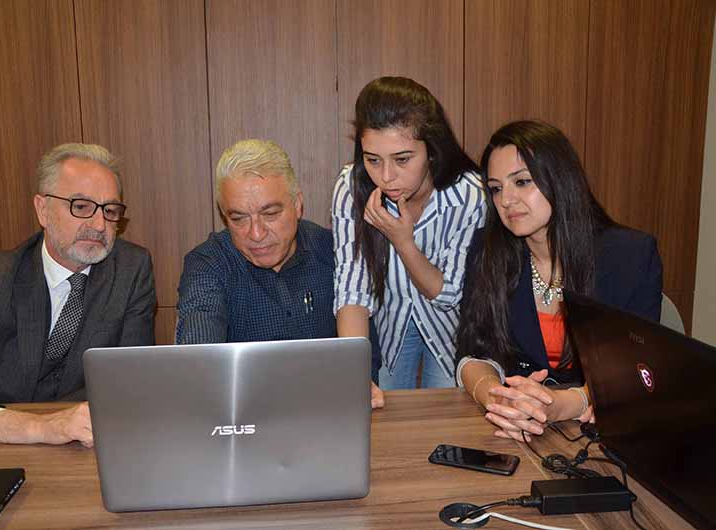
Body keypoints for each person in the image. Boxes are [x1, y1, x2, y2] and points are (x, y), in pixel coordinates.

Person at [0, 143, 156, 451]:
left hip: (86, 448)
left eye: (109, 211)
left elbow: (133, 384)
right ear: (43, 209)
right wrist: (41, 427)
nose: (99, 225)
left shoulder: (131, 270)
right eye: (81, 206)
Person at [456, 120, 662, 441]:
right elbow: (473, 352)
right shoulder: (488, 249)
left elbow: (640, 365)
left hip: (602, 426)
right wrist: (497, 398)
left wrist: (568, 402)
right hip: (515, 425)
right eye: (495, 188)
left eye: (522, 182)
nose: (506, 199)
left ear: (560, 179)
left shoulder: (630, 256)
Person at [176, 139, 382, 393]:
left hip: (326, 406)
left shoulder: (334, 253)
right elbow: (199, 354)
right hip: (244, 409)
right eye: (239, 219)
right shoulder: (209, 263)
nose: (256, 233)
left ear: (297, 205)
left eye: (270, 214)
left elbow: (367, 358)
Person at [332, 77, 487, 404]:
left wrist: (403, 242)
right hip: (388, 325)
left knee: (447, 418)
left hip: (452, 328)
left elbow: (448, 295)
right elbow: (351, 287)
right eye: (373, 160)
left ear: (432, 150)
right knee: (386, 417)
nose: (386, 176)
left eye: (402, 159)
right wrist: (354, 372)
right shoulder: (351, 186)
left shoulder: (469, 194)